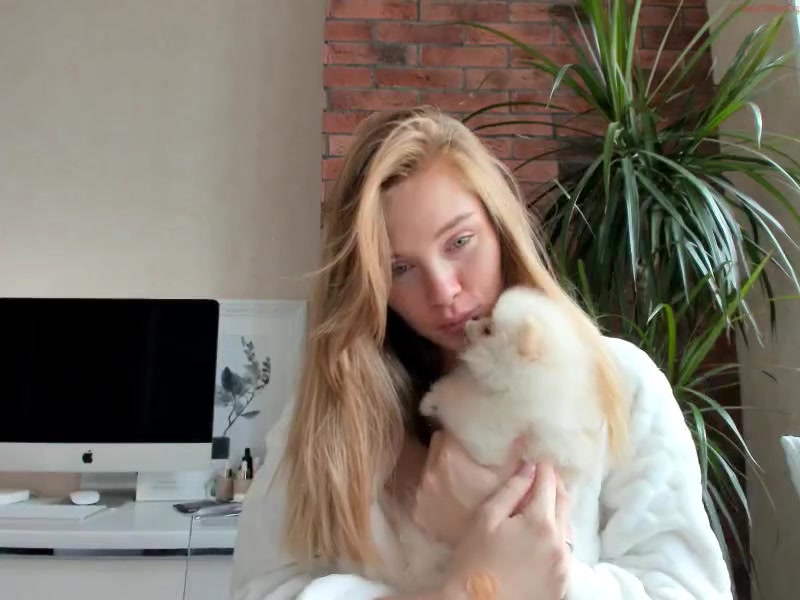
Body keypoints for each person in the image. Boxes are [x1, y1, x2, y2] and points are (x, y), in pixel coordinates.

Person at [230, 106, 734, 600]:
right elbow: (260, 589)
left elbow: (690, 590)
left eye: (459, 242)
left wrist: (548, 575)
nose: (443, 290)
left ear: (499, 226)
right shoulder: (327, 409)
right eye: (400, 268)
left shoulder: (619, 381)